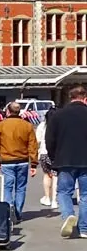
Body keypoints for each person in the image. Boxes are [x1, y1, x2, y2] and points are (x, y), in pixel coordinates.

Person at [45, 85, 87, 239]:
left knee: (64, 192)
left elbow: (49, 139)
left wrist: (53, 156)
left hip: (64, 160)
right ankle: (84, 228)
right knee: (86, 195)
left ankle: (68, 215)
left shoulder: (58, 115)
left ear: (70, 97)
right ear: (84, 98)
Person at [0, 101, 38, 224]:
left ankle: (8, 210)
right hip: (23, 161)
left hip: (7, 161)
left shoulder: (1, 125)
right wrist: (33, 164)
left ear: (7, 111)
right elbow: (32, 145)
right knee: (20, 188)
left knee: (7, 187)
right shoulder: (27, 126)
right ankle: (18, 213)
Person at [37, 107, 56, 208]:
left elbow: (37, 140)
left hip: (44, 153)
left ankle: (47, 198)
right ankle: (55, 200)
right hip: (56, 154)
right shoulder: (59, 125)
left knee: (46, 175)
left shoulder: (42, 126)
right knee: (56, 176)